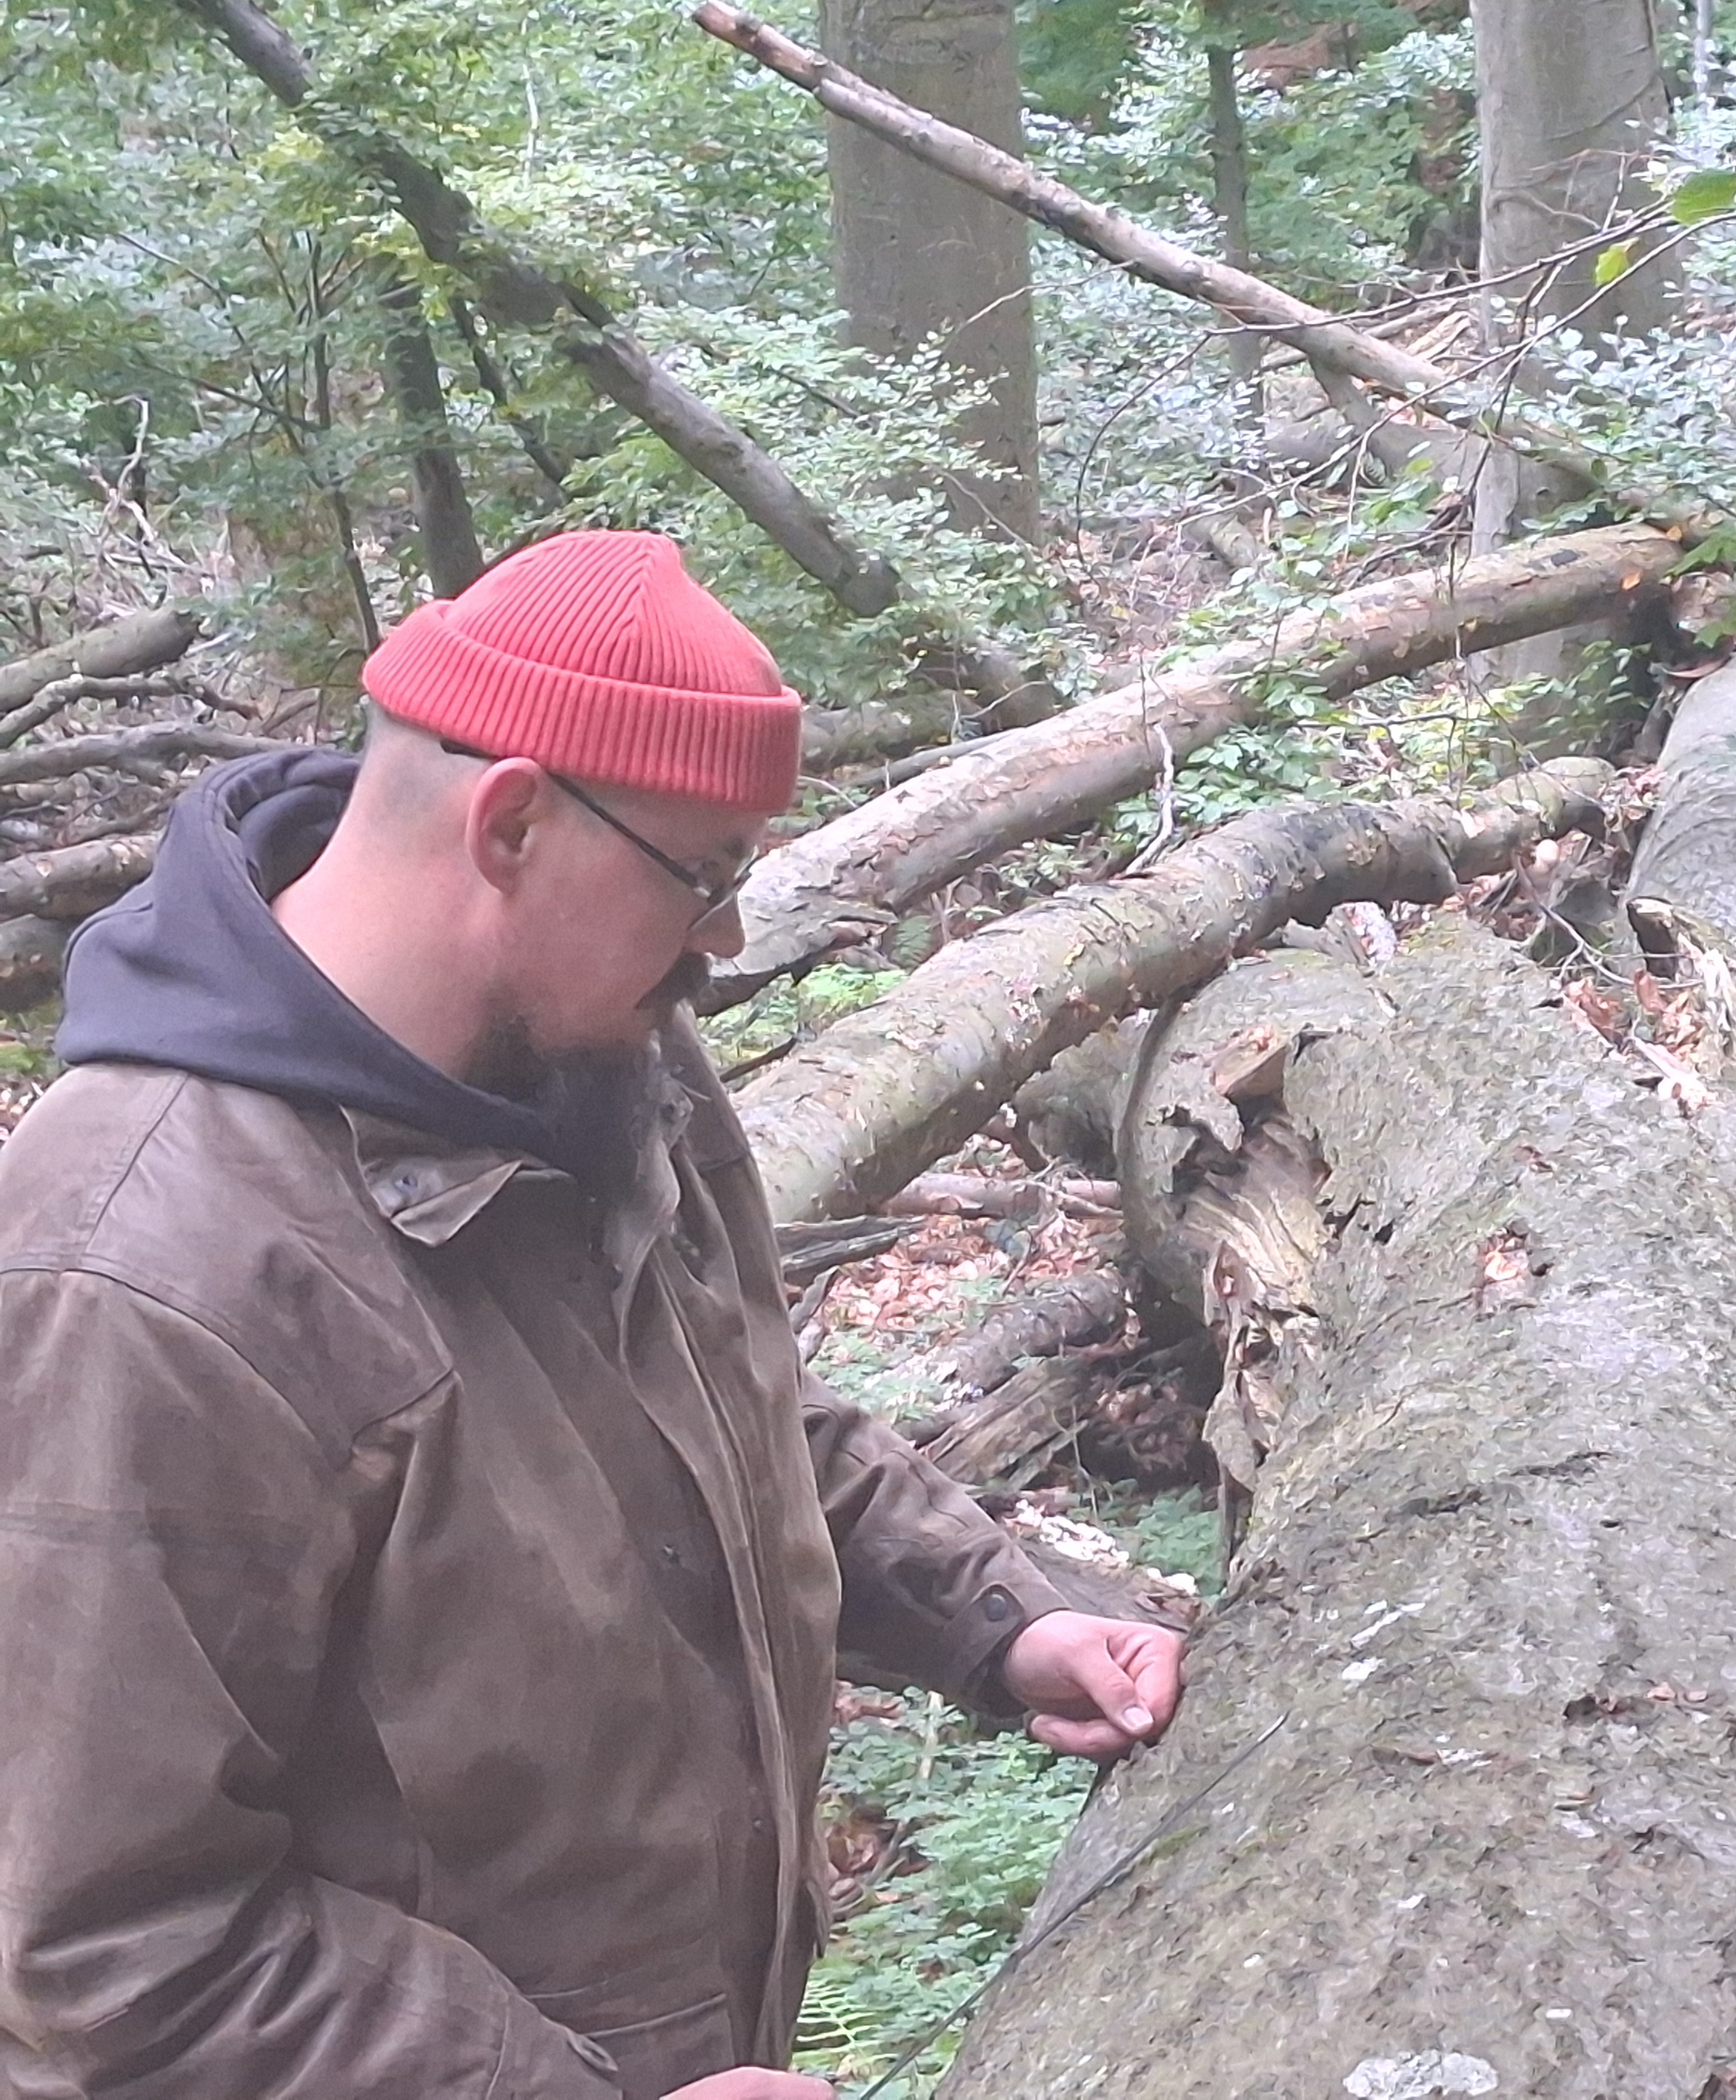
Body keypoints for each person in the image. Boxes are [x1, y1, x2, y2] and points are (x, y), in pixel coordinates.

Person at [0, 531, 1185, 2099]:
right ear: (511, 824)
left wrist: (999, 1616)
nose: (726, 941)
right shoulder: (143, 1274)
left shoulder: (598, 1062)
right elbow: (102, 1951)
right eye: (708, 878)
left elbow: (737, 1404)